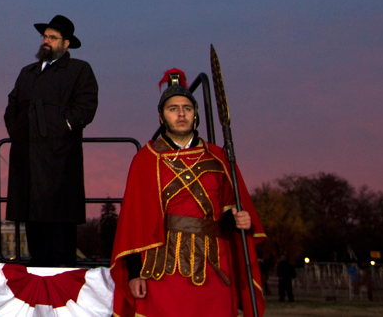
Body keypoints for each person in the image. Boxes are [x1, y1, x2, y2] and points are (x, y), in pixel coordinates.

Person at [110, 70, 266, 317]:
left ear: (195, 116)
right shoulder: (145, 160)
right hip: (163, 264)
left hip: (214, 262)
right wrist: (135, 273)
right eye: (173, 108)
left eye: (187, 108)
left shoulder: (219, 156)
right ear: (162, 117)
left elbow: (228, 206)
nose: (181, 113)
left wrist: (238, 220)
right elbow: (134, 221)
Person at [3, 14, 99, 266]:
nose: (46, 41)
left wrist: (60, 126)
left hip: (60, 155)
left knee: (60, 223)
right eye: (44, 36)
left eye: (52, 37)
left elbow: (86, 107)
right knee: (31, 219)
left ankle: (62, 279)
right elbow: (11, 107)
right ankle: (36, 275)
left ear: (66, 43)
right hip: (27, 156)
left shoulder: (80, 69)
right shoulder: (27, 72)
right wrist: (19, 132)